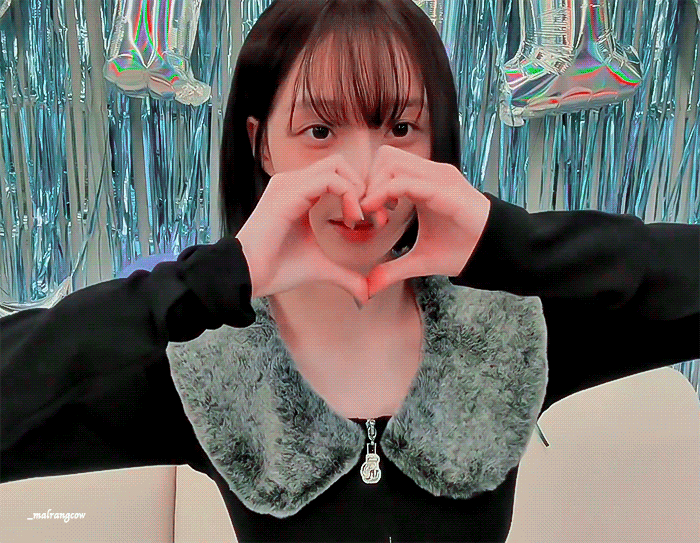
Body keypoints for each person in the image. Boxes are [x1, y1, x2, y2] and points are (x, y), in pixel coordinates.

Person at [1, 0, 697, 541]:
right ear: (261, 145)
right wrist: (217, 277)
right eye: (319, 131)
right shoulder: (206, 357)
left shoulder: (509, 327)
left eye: (400, 129)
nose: (363, 182)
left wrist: (508, 243)